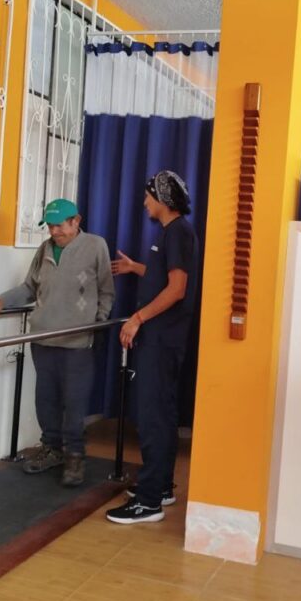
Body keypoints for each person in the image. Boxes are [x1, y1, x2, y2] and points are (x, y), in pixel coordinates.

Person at [0, 198, 114, 487]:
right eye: (50, 227)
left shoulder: (95, 246)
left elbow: (106, 290)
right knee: (45, 399)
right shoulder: (45, 249)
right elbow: (29, 287)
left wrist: (99, 320)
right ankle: (52, 449)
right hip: (42, 339)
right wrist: (2, 301)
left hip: (77, 341)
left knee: (74, 401)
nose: (54, 232)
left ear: (76, 221)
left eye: (59, 226)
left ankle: (75, 456)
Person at [105, 171, 199, 524]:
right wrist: (135, 268)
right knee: (161, 414)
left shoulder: (178, 232)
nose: (145, 202)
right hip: (162, 340)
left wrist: (137, 318)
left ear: (163, 199)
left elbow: (177, 289)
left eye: (148, 196)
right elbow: (165, 278)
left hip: (161, 340)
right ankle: (160, 487)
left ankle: (148, 502)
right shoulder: (174, 233)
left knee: (153, 417)